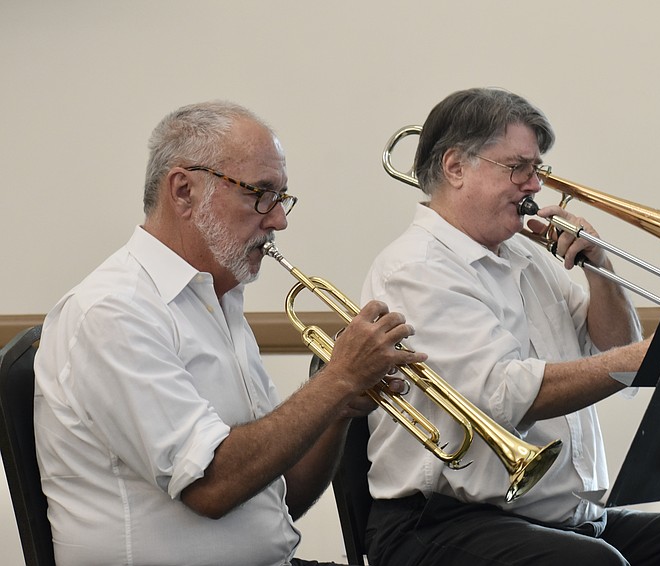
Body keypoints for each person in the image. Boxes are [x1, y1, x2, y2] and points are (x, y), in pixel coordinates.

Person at [360, 87, 660, 565]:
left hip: (554, 516)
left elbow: (617, 347)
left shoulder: (525, 255)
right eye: (518, 168)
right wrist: (638, 356)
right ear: (456, 167)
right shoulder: (417, 268)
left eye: (537, 169)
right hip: (441, 522)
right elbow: (502, 395)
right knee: (594, 563)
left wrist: (599, 265)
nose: (534, 186)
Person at [33, 101, 427, 566]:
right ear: (183, 191)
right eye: (260, 194)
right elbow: (212, 487)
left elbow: (279, 497)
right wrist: (338, 378)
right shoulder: (114, 311)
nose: (279, 220)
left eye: (282, 197)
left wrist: (338, 408)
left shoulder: (217, 300)